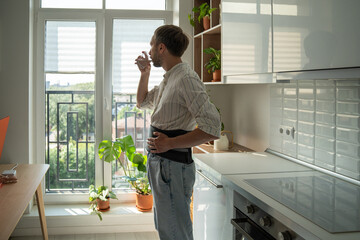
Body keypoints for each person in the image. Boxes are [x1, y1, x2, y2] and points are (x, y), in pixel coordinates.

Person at [135, 24, 221, 240]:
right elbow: (142, 101)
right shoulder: (170, 78)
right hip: (161, 164)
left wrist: (171, 144)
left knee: (176, 231)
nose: (150, 49)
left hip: (172, 166)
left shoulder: (186, 79)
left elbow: (212, 127)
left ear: (162, 48)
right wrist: (144, 74)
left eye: (152, 45)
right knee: (167, 228)